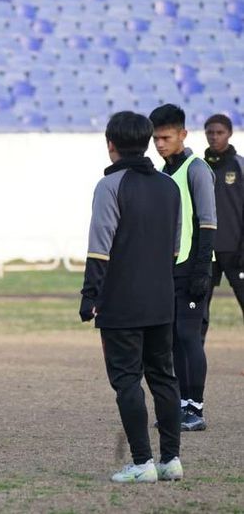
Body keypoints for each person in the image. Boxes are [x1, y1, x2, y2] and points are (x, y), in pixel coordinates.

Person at [79, 111, 183, 483]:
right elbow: (174, 249)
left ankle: (142, 463)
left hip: (121, 303)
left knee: (127, 381)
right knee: (164, 379)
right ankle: (171, 460)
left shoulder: (110, 186)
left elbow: (99, 249)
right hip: (161, 300)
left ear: (111, 146)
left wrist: (89, 296)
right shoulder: (169, 186)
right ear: (146, 141)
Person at [150, 104, 216, 432]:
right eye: (156, 138)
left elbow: (207, 222)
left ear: (182, 135)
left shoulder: (196, 168)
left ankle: (196, 407)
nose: (160, 144)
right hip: (169, 270)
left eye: (166, 137)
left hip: (192, 268)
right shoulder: (164, 174)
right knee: (173, 338)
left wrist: (202, 270)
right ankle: (179, 404)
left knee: (189, 337)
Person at [203, 114, 244, 334]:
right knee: (197, 308)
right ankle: (192, 365)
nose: (214, 137)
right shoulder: (198, 167)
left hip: (235, 250)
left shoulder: (239, 165)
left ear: (229, 133)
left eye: (220, 132)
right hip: (206, 252)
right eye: (210, 132)